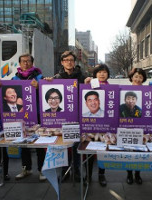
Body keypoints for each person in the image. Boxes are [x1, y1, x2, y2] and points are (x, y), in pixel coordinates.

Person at [46, 51, 87, 182]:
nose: (69, 62)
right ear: (62, 62)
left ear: (74, 62)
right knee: (63, 145)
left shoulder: (82, 76)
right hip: (63, 117)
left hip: (78, 116)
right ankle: (64, 171)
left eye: (71, 60)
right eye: (66, 60)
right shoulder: (57, 77)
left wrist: (90, 82)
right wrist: (46, 83)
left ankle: (76, 170)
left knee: (76, 145)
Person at [12, 53, 46, 181]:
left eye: (28, 61)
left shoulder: (39, 77)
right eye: (23, 61)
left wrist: (39, 87)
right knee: (23, 142)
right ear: (19, 64)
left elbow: (46, 93)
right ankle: (26, 168)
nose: (26, 63)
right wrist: (0, 87)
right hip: (21, 115)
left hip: (36, 114)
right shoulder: (14, 79)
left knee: (39, 143)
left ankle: (42, 170)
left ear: (32, 63)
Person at [84, 64, 110, 186]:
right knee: (89, 151)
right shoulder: (89, 85)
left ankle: (101, 174)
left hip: (105, 126)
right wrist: (85, 84)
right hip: (90, 126)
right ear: (95, 74)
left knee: (102, 151)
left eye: (104, 72)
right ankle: (87, 175)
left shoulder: (112, 89)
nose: (102, 74)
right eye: (99, 72)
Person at [124, 67, 147, 185]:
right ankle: (129, 174)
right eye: (136, 76)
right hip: (127, 127)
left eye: (140, 77)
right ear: (131, 77)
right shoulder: (124, 90)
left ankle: (138, 174)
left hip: (141, 126)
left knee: (140, 150)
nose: (138, 79)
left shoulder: (147, 92)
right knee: (129, 150)